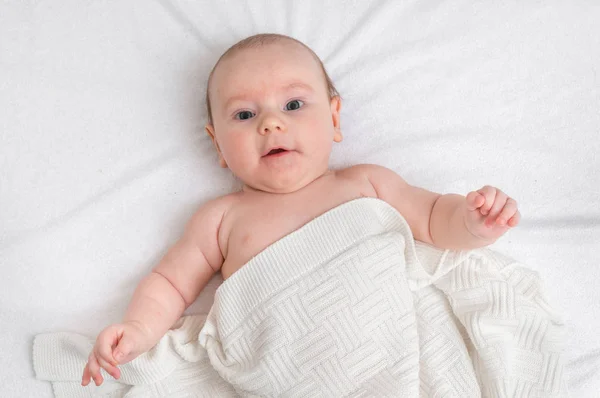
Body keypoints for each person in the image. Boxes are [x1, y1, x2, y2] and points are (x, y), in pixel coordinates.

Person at [82, 33, 520, 387]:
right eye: (244, 114)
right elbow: (169, 284)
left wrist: (473, 222)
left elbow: (433, 218)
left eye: (293, 105)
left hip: (394, 359)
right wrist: (139, 330)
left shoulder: (366, 182)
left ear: (334, 118)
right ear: (218, 144)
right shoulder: (220, 219)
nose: (270, 123)